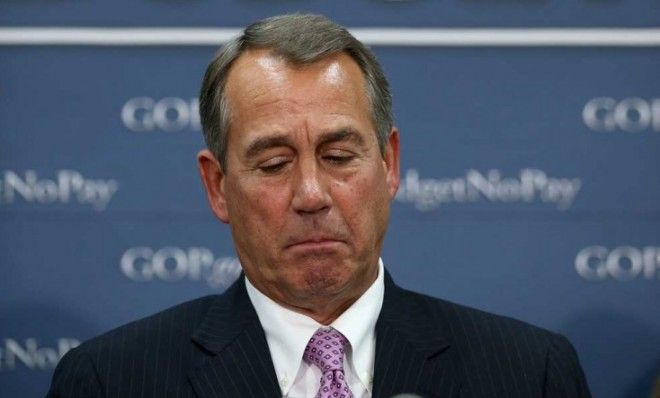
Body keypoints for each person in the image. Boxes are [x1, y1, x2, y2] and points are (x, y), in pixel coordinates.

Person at [47, 14, 591, 398]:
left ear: (389, 165)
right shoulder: (110, 381)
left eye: (338, 155)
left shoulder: (528, 374)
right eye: (274, 164)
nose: (311, 195)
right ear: (217, 187)